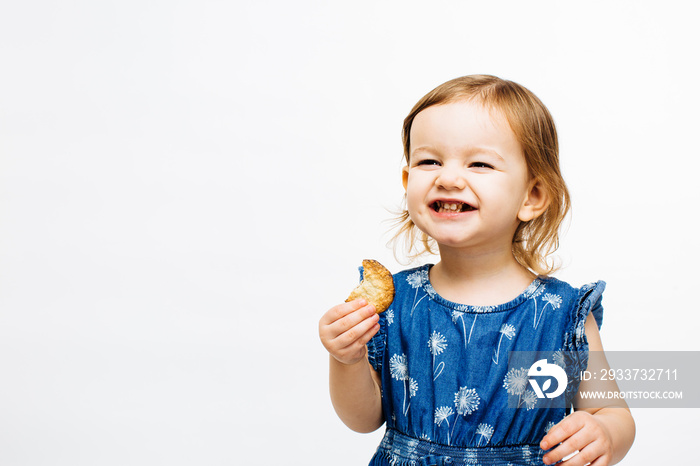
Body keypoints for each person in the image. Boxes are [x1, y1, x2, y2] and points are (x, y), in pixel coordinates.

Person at [319, 75, 635, 466]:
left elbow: (612, 413)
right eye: (429, 161)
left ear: (532, 196)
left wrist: (603, 432)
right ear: (407, 181)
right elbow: (364, 420)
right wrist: (347, 360)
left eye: (479, 163)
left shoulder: (558, 316)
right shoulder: (394, 305)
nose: (448, 178)